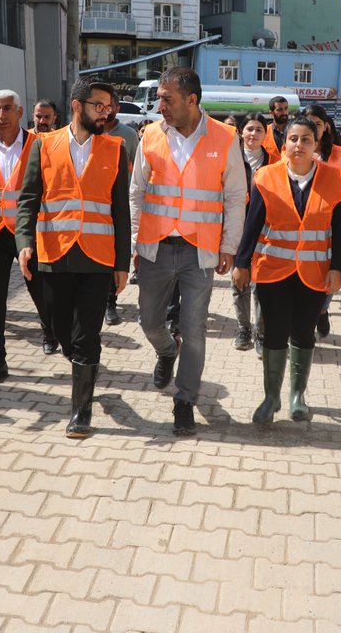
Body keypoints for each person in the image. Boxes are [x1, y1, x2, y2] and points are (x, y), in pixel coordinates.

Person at [131, 66, 247, 436]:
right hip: (155, 247)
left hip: (200, 250)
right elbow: (137, 193)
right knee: (149, 322)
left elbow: (234, 197)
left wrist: (229, 245)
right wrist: (135, 239)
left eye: (167, 98)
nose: (160, 105)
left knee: (194, 329)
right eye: (160, 98)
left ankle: (185, 401)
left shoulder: (225, 137)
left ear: (192, 100)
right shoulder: (149, 135)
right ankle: (166, 350)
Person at [16, 77, 131, 438]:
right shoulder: (43, 145)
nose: (106, 112)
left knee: (87, 335)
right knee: (60, 329)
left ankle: (80, 411)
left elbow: (120, 212)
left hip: (97, 258)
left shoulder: (115, 149)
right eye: (100, 106)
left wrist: (122, 263)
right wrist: (24, 241)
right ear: (78, 106)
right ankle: (84, 369)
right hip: (54, 254)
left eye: (109, 108)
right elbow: (28, 199)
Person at [234, 117, 341, 423]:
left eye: (306, 139)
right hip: (273, 270)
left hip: (314, 272)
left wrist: (337, 268)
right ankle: (271, 398)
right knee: (274, 332)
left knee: (303, 331)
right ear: (285, 146)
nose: (299, 145)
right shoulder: (266, 177)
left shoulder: (333, 178)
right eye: (294, 139)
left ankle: (298, 397)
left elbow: (339, 228)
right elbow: (252, 223)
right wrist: (241, 263)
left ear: (316, 145)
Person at [0, 89, 57, 385]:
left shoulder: (41, 145)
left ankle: (50, 329)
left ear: (20, 113)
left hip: (29, 233)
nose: (1, 115)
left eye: (7, 109)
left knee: (40, 290)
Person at [302, 103, 341, 339]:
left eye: (317, 124)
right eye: (309, 124)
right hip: (303, 226)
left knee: (332, 272)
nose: (313, 129)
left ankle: (322, 309)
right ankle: (308, 318)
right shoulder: (296, 149)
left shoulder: (339, 154)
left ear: (326, 126)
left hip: (333, 224)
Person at [232, 112, 277, 352]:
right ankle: (243, 329)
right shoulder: (232, 158)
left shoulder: (273, 161)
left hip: (265, 229)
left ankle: (261, 332)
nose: (254, 134)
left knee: (262, 283)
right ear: (241, 131)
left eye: (259, 129)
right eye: (250, 129)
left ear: (265, 133)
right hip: (237, 226)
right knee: (239, 279)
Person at [103, 111, 141, 326]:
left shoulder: (128, 135)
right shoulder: (92, 132)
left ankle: (111, 303)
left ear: (116, 106)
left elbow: (138, 169)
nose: (105, 110)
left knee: (116, 254)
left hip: (121, 205)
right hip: (96, 207)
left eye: (110, 105)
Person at [262, 95, 290, 159]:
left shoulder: (295, 130)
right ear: (271, 113)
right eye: (279, 110)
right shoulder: (264, 131)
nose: (284, 112)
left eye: (286, 108)